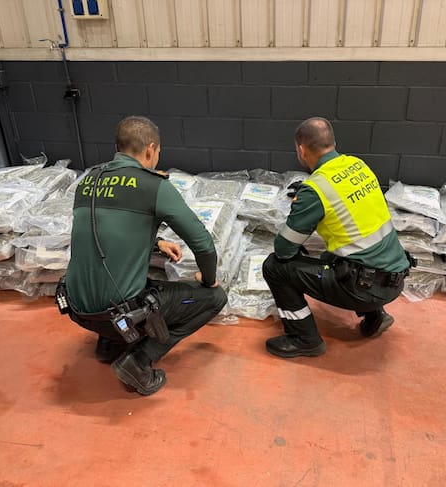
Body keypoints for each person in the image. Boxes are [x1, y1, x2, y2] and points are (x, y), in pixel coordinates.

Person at [61, 116, 227, 395]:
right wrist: (209, 279)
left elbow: (103, 233)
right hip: (118, 312)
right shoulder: (153, 185)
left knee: (119, 273)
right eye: (158, 152)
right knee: (215, 298)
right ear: (150, 150)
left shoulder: (88, 181)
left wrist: (157, 242)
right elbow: (203, 245)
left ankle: (109, 342)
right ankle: (138, 362)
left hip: (75, 307)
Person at [262, 117, 412, 358]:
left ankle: (304, 339)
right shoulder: (357, 165)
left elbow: (284, 249)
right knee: (333, 255)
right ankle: (375, 317)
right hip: (395, 279)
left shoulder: (315, 189)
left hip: (363, 289)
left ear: (301, 150)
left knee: (274, 267)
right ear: (333, 142)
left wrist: (306, 202)